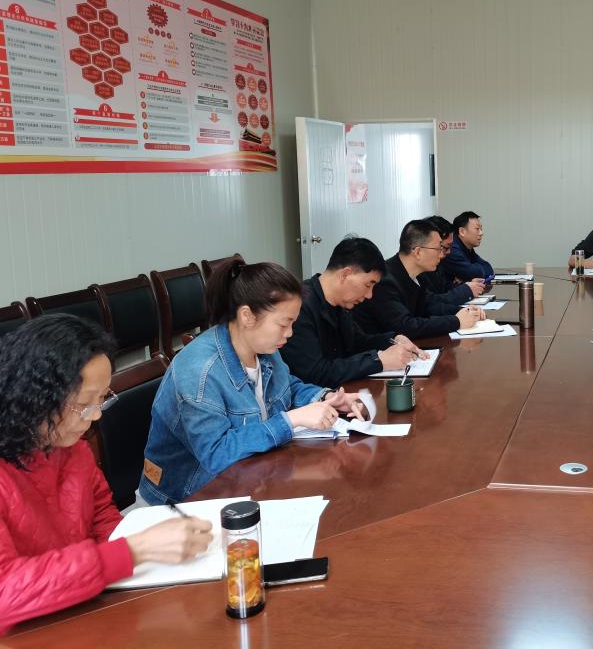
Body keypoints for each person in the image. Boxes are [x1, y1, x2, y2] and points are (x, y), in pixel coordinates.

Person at [0, 315, 213, 633]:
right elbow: (5, 594)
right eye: (83, 403)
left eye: (101, 399)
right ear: (35, 397)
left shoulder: (71, 446)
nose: (96, 415)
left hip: (77, 608)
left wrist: (143, 548)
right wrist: (135, 550)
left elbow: (102, 518)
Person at [139, 261, 365, 504]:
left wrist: (325, 398)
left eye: (292, 324)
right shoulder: (200, 372)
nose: (290, 333)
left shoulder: (264, 347)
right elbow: (216, 455)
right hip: (185, 500)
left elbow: (286, 386)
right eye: (283, 324)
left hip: (251, 478)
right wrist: (291, 420)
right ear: (247, 316)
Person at [281, 239, 427, 388]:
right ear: (345, 274)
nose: (369, 295)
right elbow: (316, 373)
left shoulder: (341, 302)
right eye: (368, 285)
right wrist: (379, 361)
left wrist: (393, 339)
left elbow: (357, 342)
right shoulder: (300, 306)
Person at [354, 219, 484, 339]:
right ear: (417, 252)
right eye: (438, 248)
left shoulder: (416, 275)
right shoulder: (384, 281)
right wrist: (456, 321)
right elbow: (405, 326)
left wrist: (464, 311)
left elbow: (430, 306)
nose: (442, 254)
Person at [419, 215, 486, 306]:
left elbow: (444, 288)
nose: (449, 252)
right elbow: (430, 303)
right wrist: (466, 290)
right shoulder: (415, 272)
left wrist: (466, 286)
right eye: (445, 247)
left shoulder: (435, 265)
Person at [441, 211, 495, 282]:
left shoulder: (467, 247)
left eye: (481, 229)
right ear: (462, 231)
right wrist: (469, 273)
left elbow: (488, 269)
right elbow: (474, 273)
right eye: (477, 229)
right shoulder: (452, 249)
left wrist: (465, 275)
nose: (481, 233)